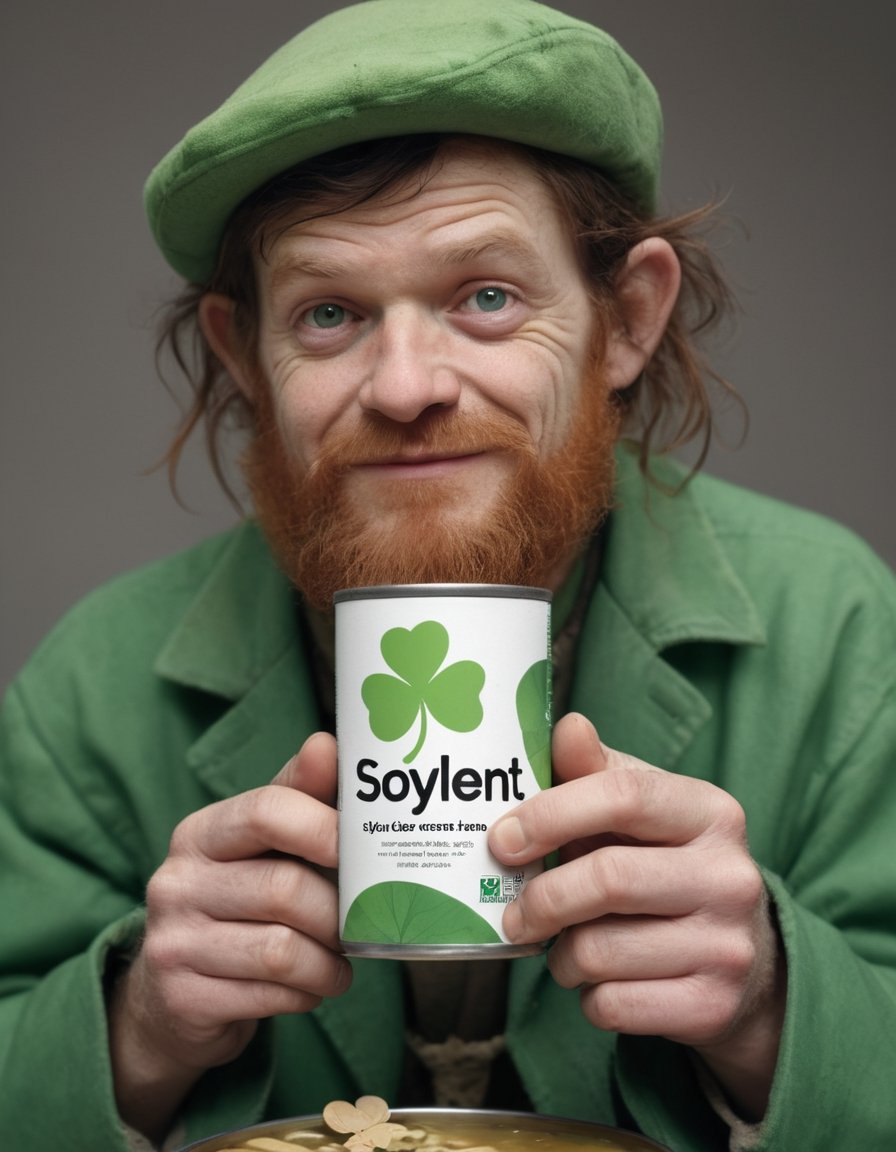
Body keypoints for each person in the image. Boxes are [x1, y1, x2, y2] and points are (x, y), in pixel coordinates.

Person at [0, 1, 893, 1150]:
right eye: (329, 315)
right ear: (245, 359)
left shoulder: (841, 635)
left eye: (485, 297)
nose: (407, 385)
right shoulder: (96, 681)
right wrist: (134, 1027)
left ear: (622, 319)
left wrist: (772, 999)